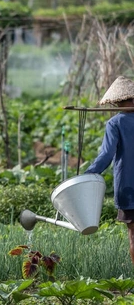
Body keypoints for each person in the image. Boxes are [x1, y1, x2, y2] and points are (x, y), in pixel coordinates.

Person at [85, 75, 134, 264]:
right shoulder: (116, 123)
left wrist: (88, 175)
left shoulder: (115, 123)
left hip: (128, 189)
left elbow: (106, 155)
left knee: (133, 236)